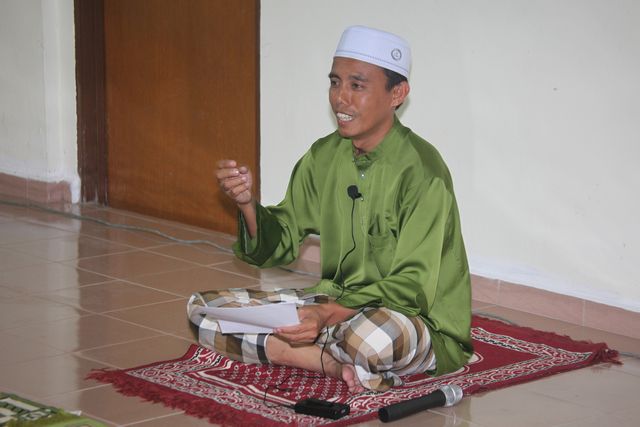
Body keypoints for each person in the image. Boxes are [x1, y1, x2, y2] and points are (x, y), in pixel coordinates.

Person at [188, 25, 472, 393]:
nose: (340, 98)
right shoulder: (324, 155)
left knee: (370, 340)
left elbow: (412, 285)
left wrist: (325, 315)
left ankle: (323, 345)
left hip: (410, 317)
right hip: (333, 304)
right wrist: (246, 205)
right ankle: (331, 363)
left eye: (357, 85)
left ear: (397, 94)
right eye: (335, 83)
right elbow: (280, 242)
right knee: (204, 310)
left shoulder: (422, 170)